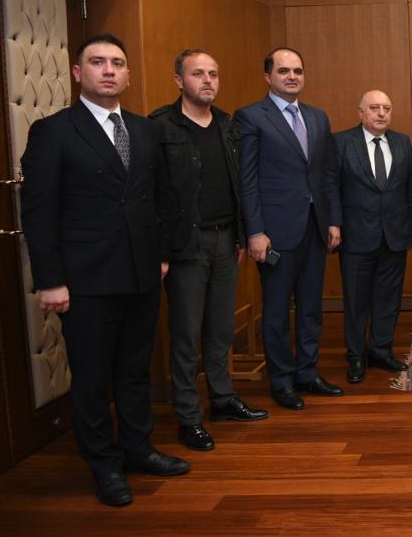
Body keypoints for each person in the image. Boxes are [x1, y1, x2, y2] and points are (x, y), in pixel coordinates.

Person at [20, 33, 187, 507]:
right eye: (97, 62)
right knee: (93, 379)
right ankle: (105, 465)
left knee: (134, 371)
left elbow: (162, 198)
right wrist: (50, 280)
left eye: (117, 63)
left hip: (142, 274)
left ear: (128, 75)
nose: (108, 70)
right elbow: (39, 213)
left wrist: (162, 255)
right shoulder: (54, 131)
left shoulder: (144, 129)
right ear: (78, 73)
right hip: (85, 280)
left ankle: (138, 449)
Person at [150, 49, 268, 453]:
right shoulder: (160, 127)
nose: (207, 81)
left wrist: (240, 236)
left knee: (220, 329)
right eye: (198, 73)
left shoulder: (227, 125)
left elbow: (239, 186)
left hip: (225, 240)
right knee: (186, 333)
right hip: (186, 245)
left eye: (213, 74)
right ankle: (188, 416)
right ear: (179, 81)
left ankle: (222, 399)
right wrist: (161, 250)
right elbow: (153, 194)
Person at [235, 47, 343, 411]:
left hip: (315, 228)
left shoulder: (317, 117)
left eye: (297, 70)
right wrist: (255, 231)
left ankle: (307, 373)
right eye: (284, 71)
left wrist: (333, 220)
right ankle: (281, 380)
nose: (292, 76)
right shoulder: (251, 117)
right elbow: (247, 180)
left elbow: (327, 174)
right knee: (277, 311)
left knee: (311, 308)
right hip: (275, 233)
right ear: (268, 77)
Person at [332, 90, 412, 384]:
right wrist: (334, 225)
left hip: (395, 236)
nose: (381, 113)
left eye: (386, 108)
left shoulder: (402, 142)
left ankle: (381, 351)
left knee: (388, 299)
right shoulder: (342, 142)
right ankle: (356, 355)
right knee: (356, 301)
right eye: (374, 108)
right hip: (356, 237)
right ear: (361, 113)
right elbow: (331, 187)